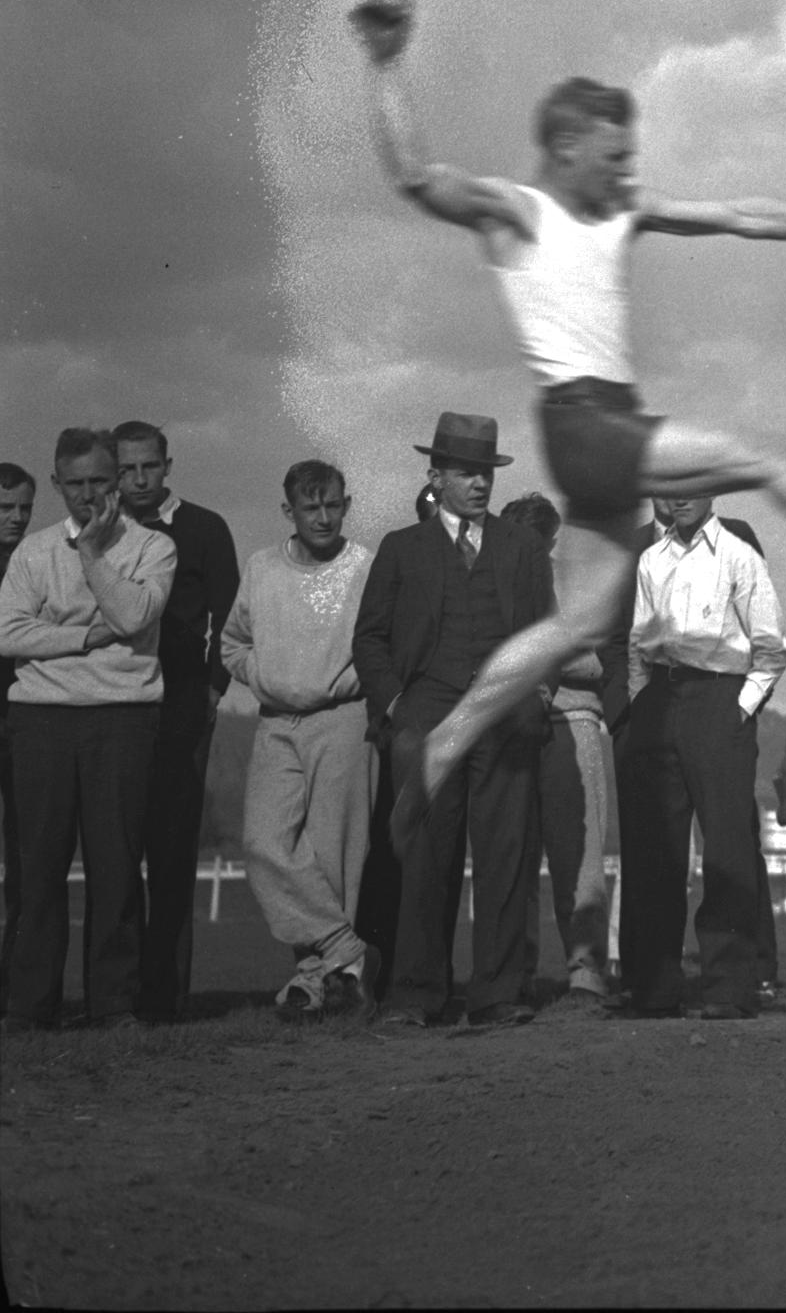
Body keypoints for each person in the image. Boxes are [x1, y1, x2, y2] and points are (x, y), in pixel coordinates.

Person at [346, 0, 786, 849]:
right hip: (589, 422)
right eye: (613, 156)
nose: (626, 170)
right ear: (567, 147)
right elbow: (416, 178)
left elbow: (742, 215)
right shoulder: (519, 212)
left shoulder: (618, 210)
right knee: (764, 455)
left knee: (575, 625)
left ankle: (437, 747)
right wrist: (385, 63)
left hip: (594, 439)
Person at [352, 413, 554, 1029]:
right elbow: (370, 639)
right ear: (436, 476)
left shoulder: (521, 548)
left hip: (505, 720)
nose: (480, 483)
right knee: (424, 860)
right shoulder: (401, 549)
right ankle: (415, 995)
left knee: (504, 857)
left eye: (486, 472)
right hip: (429, 718)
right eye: (467, 472)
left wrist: (538, 695)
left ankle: (497, 994)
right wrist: (398, 708)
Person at [0, 428, 175, 1029]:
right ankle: (30, 1007)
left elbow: (132, 614)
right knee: (39, 869)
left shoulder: (153, 547)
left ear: (118, 480)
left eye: (100, 480)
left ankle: (114, 1005)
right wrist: (83, 636)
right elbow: (7, 632)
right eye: (74, 483)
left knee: (116, 867)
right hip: (41, 719)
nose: (87, 494)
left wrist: (95, 556)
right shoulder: (33, 552)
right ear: (56, 484)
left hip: (123, 717)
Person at [619, 493, 786, 1019]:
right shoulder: (651, 560)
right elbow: (638, 644)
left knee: (727, 851)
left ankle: (728, 987)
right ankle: (656, 989)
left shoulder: (739, 553)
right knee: (658, 852)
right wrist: (641, 703)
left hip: (720, 700)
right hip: (660, 700)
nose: (681, 495)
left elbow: (771, 647)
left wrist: (739, 707)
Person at [226, 460, 380, 1021]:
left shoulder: (364, 566)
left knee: (332, 854)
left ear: (347, 504)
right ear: (287, 511)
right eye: (309, 507)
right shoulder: (262, 566)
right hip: (275, 721)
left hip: (343, 717)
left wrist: (348, 681)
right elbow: (233, 643)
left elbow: (383, 641)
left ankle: (319, 980)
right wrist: (263, 677)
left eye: (332, 505)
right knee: (265, 842)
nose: (322, 517)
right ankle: (347, 949)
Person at [113, 420, 241, 1023]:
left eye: (149, 466)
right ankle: (116, 995)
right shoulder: (100, 532)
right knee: (116, 852)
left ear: (168, 466)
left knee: (170, 853)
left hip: (184, 703)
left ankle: (165, 997)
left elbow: (231, 618)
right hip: (114, 703)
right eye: (127, 469)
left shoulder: (204, 528)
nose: (139, 479)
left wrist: (213, 690)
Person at [499, 492, 617, 1010]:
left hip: (573, 718)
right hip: (509, 729)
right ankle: (516, 973)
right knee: (514, 855)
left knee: (580, 855)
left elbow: (591, 662)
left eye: (539, 542)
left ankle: (586, 970)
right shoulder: (493, 580)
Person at [0, 461, 35, 1009]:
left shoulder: (33, 562)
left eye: (25, 508)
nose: (16, 517)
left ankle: (15, 985)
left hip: (24, 723)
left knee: (25, 860)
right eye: (4, 507)